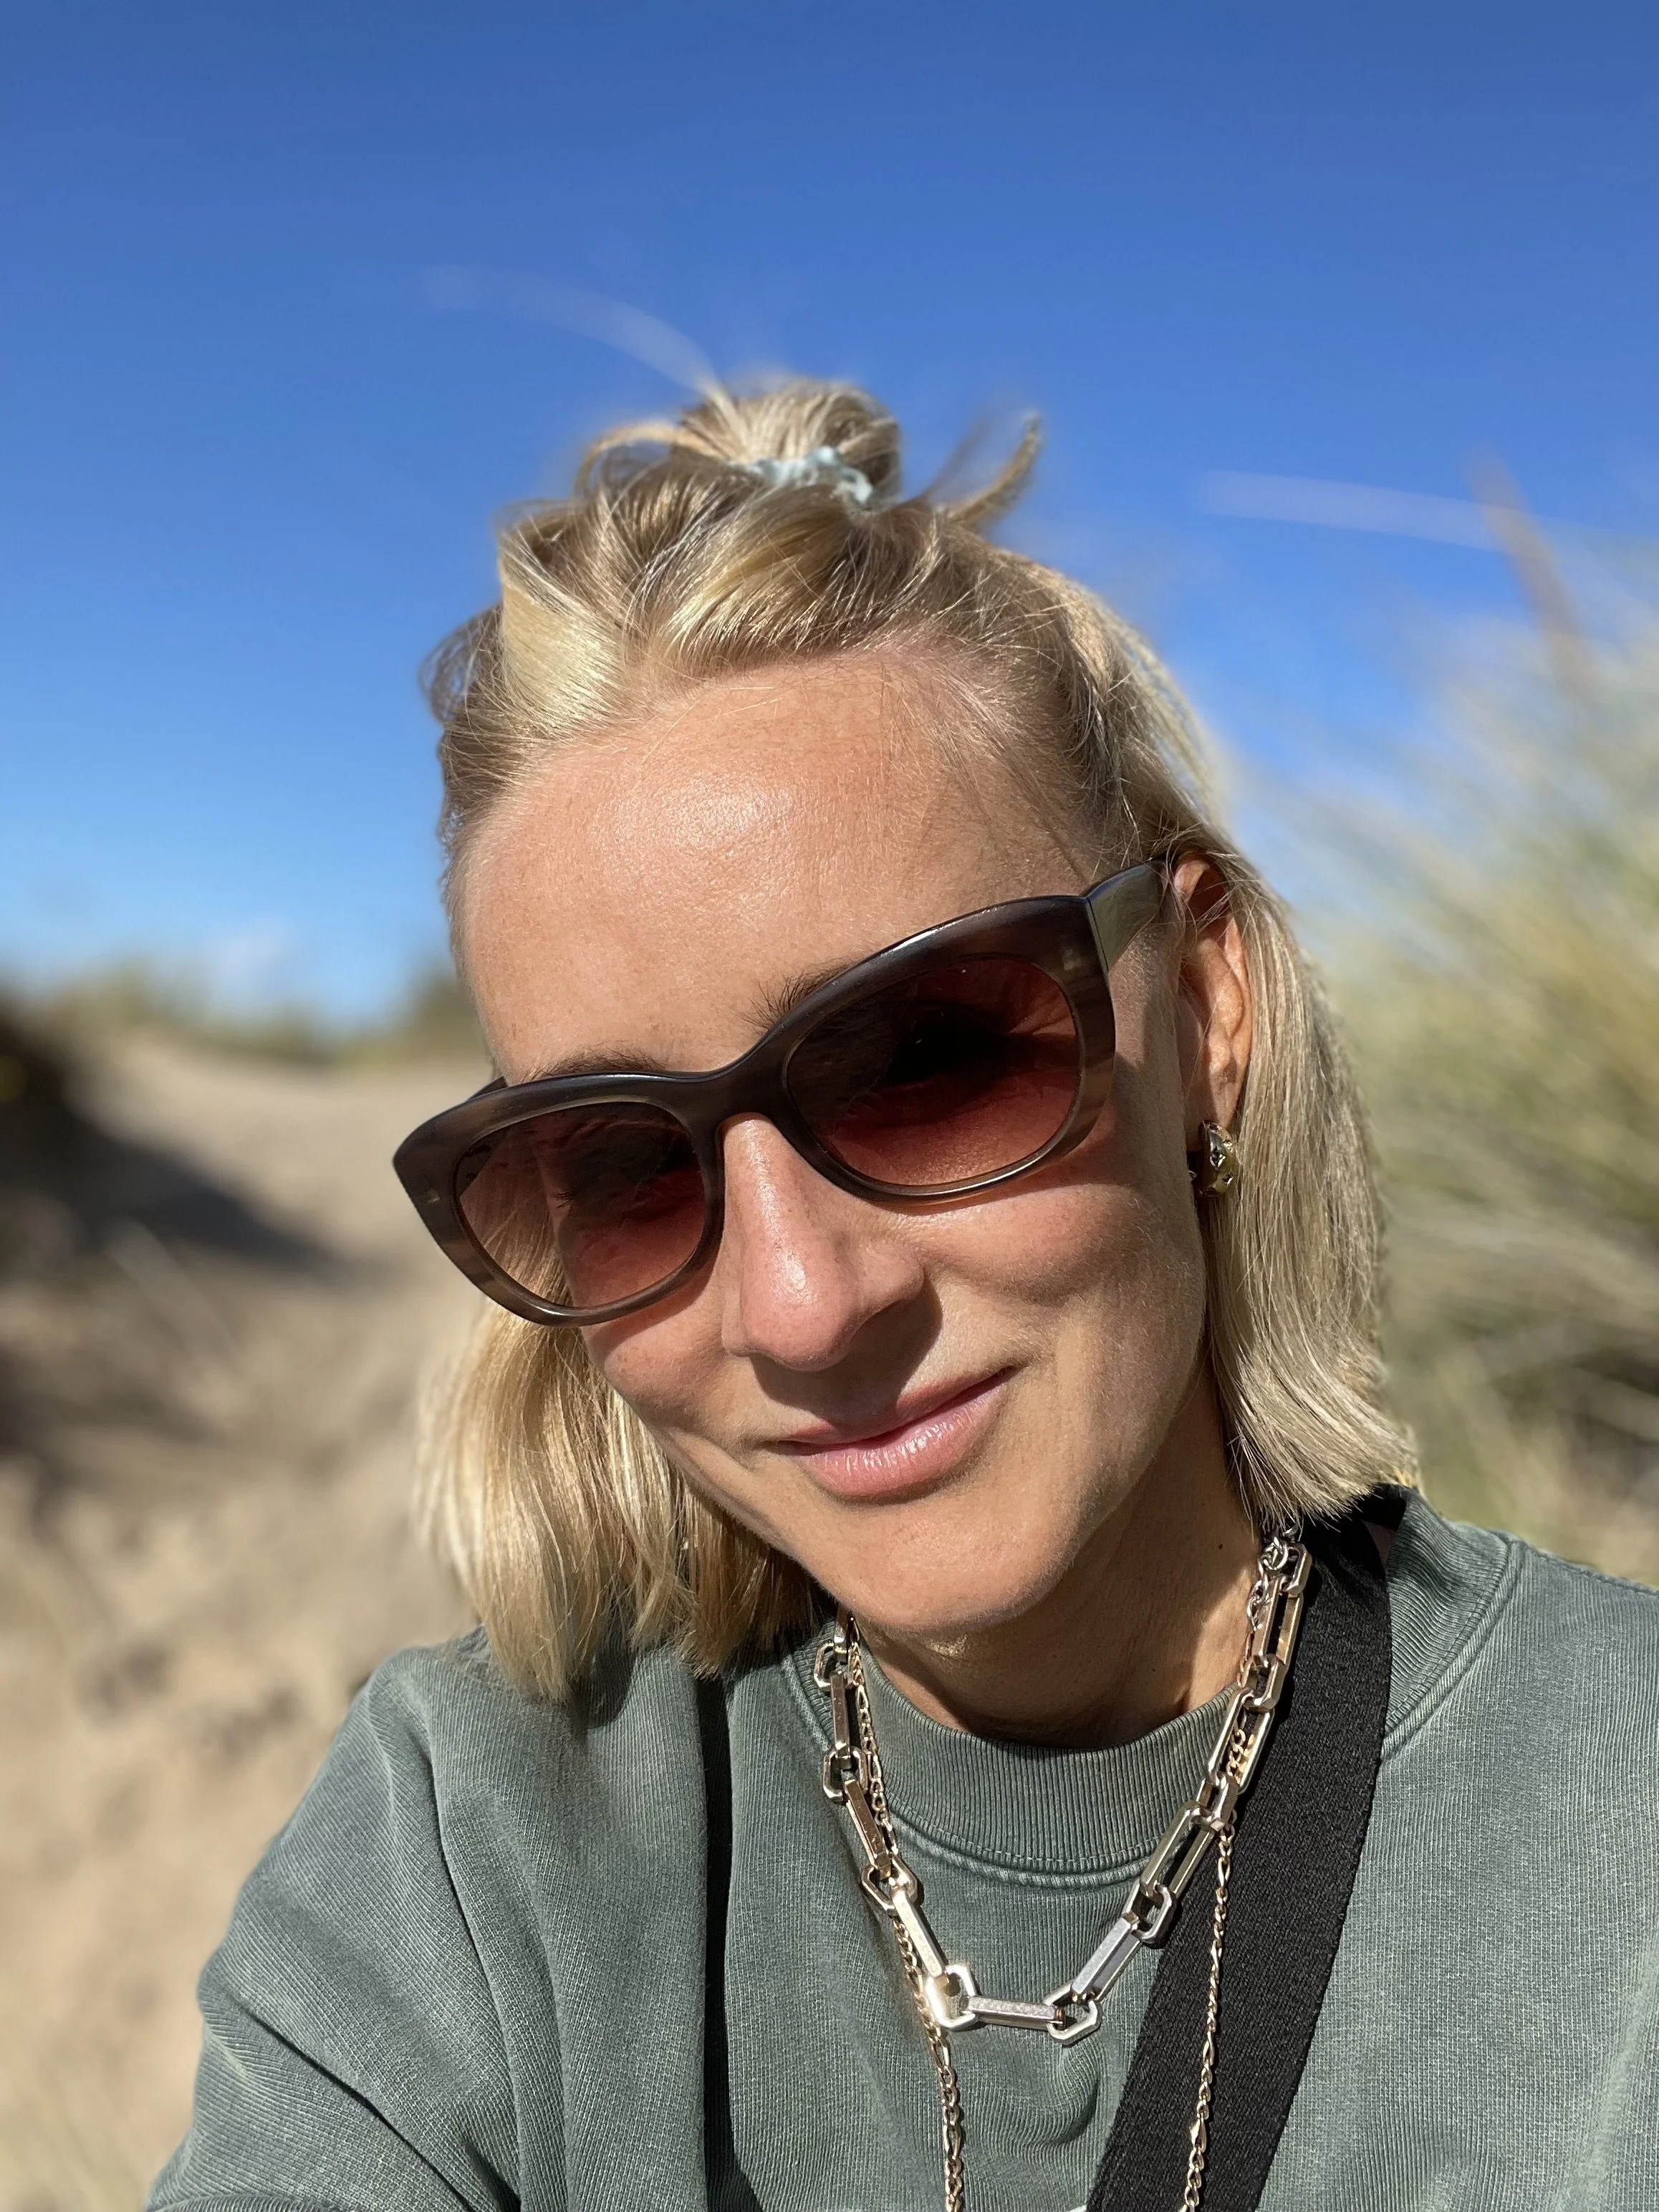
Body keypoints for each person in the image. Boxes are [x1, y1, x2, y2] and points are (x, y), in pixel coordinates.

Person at [150, 383, 1659, 2212]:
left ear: (1200, 1014)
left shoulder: (1617, 1830)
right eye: (621, 1168)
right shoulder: (472, 1852)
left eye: (928, 1057)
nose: (800, 1306)